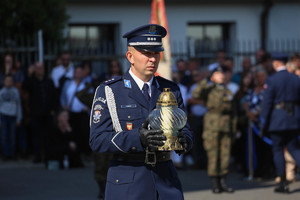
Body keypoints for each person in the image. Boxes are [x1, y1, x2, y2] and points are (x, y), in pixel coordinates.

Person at [89, 24, 193, 200]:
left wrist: (185, 140)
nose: (152, 59)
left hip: (166, 180)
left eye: (156, 53)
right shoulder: (110, 91)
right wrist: (138, 138)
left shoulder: (170, 89)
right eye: (146, 53)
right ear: (130, 56)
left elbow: (186, 129)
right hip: (129, 180)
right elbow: (97, 140)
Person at [260, 53, 300, 193]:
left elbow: (267, 103)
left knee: (278, 150)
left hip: (277, 119)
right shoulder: (296, 78)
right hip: (293, 118)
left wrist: (263, 122)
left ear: (276, 63)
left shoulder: (272, 79)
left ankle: (283, 183)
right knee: (294, 148)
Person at [192, 66, 235, 194]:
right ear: (213, 76)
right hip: (212, 126)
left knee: (225, 155)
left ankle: (223, 182)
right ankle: (215, 183)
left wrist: (234, 128)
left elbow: (234, 112)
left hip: (226, 126)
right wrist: (207, 79)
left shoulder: (228, 91)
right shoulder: (208, 89)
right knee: (213, 155)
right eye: (218, 74)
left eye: (222, 73)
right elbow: (196, 93)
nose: (221, 76)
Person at [23, 62, 58, 164]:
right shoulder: (32, 81)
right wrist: (29, 74)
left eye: (41, 68)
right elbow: (25, 87)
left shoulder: (49, 81)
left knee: (47, 135)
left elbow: (54, 95)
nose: (39, 70)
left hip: (47, 113)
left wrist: (54, 109)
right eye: (37, 68)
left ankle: (47, 156)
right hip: (35, 113)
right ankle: (37, 155)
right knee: (36, 136)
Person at [0, 74, 22, 160]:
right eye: (7, 81)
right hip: (3, 115)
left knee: (12, 136)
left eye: (10, 81)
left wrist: (19, 118)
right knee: (4, 136)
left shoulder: (15, 91)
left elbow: (19, 105)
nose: (9, 82)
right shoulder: (1, 92)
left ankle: (12, 153)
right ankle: (5, 154)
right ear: (4, 82)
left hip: (13, 115)